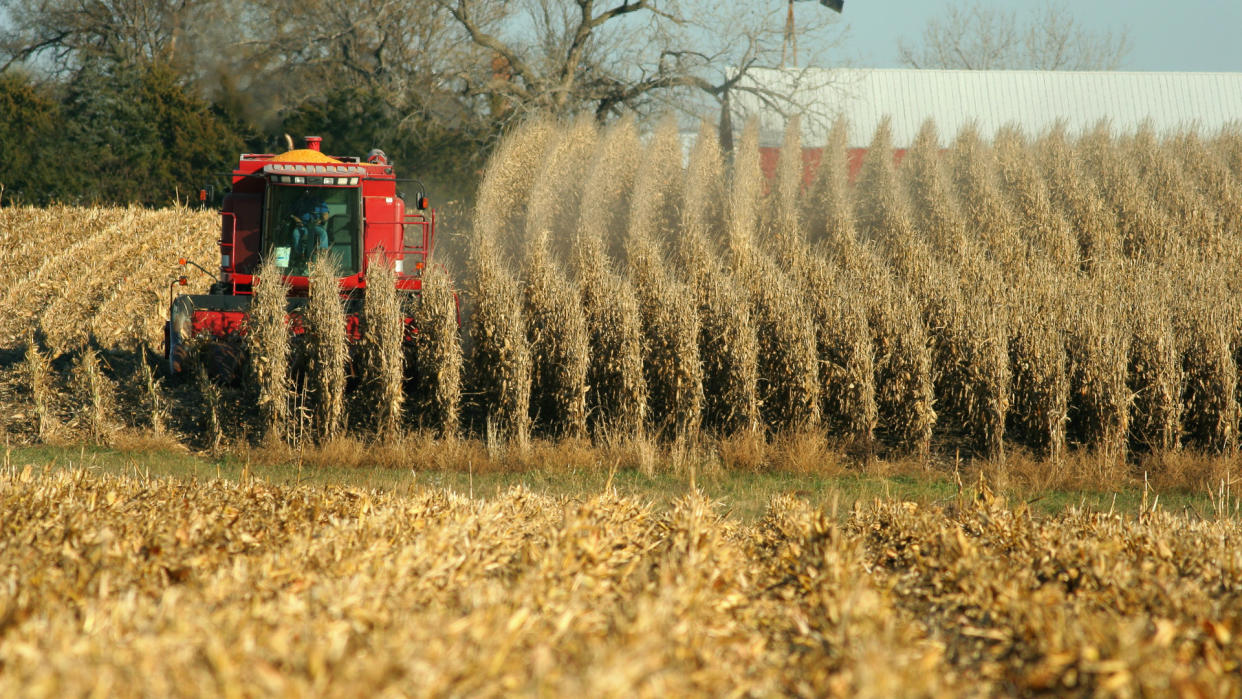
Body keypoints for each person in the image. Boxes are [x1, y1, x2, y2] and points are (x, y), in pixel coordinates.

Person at [290, 189, 331, 260]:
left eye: (311, 191)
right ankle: (299, 255)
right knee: (296, 233)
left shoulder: (320, 202)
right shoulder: (299, 201)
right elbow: (291, 213)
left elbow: (326, 215)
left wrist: (322, 219)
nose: (309, 193)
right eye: (307, 190)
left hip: (315, 226)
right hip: (303, 225)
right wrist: (296, 219)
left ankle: (322, 254)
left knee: (323, 233)